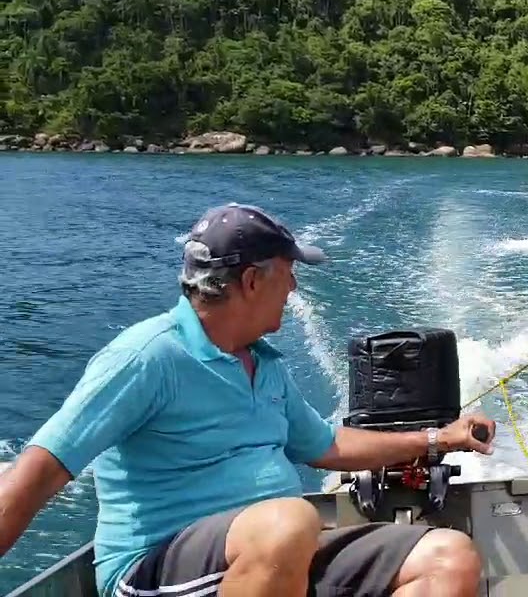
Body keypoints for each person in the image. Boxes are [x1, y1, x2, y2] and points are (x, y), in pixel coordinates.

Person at [0, 203, 497, 597]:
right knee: (289, 521)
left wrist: (438, 439)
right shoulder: (148, 357)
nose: (295, 286)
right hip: (157, 569)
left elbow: (325, 446)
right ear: (253, 281)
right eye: (288, 272)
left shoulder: (265, 364)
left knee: (449, 558)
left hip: (270, 558)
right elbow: (41, 468)